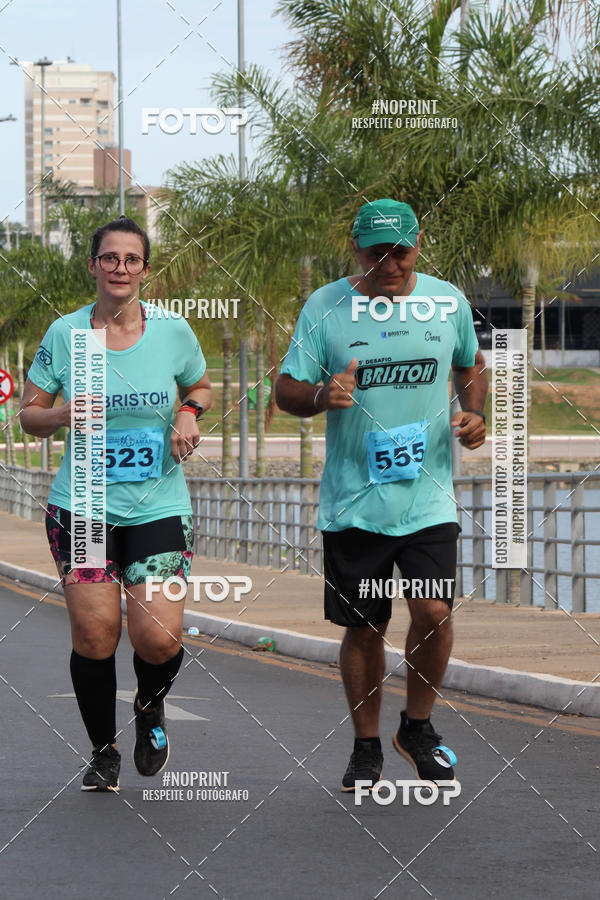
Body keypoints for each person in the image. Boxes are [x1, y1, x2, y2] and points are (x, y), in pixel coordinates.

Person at [276, 199, 487, 792]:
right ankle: (366, 744)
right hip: (354, 502)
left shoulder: (445, 302)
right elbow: (284, 389)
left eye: (401, 251)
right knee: (365, 627)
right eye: (377, 253)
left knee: (434, 612)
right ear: (356, 248)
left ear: (419, 245)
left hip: (427, 496)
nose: (390, 264)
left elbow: (470, 366)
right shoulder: (327, 307)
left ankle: (416, 727)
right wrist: (320, 395)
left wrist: (475, 415)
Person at [20, 216, 212, 792]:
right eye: (110, 258)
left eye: (131, 260)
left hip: (157, 505)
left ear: (144, 270)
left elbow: (199, 386)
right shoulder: (65, 335)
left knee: (158, 637)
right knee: (97, 634)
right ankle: (103, 751)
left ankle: (149, 710)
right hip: (83, 508)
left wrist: (188, 415)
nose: (120, 268)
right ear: (93, 266)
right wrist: (59, 415)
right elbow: (28, 414)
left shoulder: (174, 332)